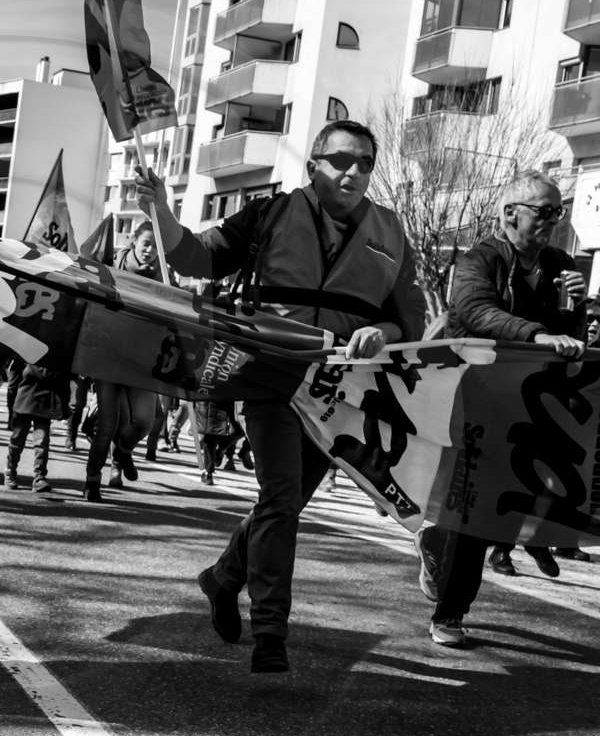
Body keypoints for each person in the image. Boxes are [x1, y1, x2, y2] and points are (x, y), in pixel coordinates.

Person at [135, 119, 426, 672]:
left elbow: (412, 314)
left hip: (340, 393)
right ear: (313, 163)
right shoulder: (269, 212)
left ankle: (221, 578)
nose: (354, 172)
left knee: (285, 503)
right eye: (341, 159)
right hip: (271, 375)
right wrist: (163, 210)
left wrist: (384, 333)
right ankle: (271, 632)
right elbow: (198, 258)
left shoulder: (392, 230)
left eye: (365, 162)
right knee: (281, 495)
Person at [416, 170, 586, 645]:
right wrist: (537, 333)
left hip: (533, 401)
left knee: (521, 499)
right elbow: (474, 311)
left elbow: (568, 337)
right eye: (543, 210)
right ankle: (449, 614)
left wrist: (576, 307)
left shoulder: (561, 263)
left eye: (559, 211)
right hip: (477, 397)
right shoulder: (480, 258)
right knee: (478, 505)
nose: (553, 220)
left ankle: (436, 543)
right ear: (510, 212)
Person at [83, 222, 165, 501]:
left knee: (144, 421)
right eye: (146, 244)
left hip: (142, 360)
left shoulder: (164, 275)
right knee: (107, 423)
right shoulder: (110, 266)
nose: (150, 251)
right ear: (133, 241)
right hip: (108, 356)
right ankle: (92, 480)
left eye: (155, 246)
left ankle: (122, 451)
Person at [7, 361, 71, 491]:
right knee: (18, 439)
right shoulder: (31, 351)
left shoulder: (59, 352)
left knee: (42, 441)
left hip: (45, 400)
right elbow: (31, 372)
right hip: (26, 396)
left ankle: (39, 476)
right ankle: (10, 470)